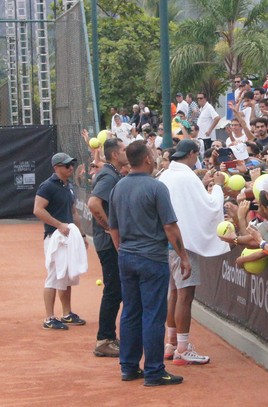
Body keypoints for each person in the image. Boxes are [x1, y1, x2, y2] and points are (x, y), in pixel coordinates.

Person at [109, 140, 190, 386]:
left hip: (126, 257)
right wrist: (184, 257)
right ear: (146, 159)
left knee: (130, 312)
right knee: (153, 316)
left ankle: (129, 368)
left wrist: (123, 251)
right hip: (152, 259)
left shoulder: (118, 187)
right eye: (153, 155)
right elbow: (170, 227)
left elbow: (113, 228)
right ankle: (154, 371)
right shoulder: (156, 187)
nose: (155, 159)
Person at [159, 139, 229, 366]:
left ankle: (170, 344)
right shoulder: (186, 176)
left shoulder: (167, 174)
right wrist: (217, 186)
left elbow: (186, 199)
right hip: (182, 247)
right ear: (192, 154)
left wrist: (203, 181)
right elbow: (209, 207)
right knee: (185, 296)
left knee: (174, 293)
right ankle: (182, 348)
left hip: (166, 245)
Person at [34, 152, 88, 330]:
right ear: (56, 167)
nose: (71, 168)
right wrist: (58, 225)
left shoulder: (69, 186)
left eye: (71, 164)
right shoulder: (47, 186)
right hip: (54, 238)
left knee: (66, 275)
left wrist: (81, 236)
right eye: (67, 165)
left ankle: (67, 314)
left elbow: (74, 213)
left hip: (69, 238)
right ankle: (49, 318)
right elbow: (38, 210)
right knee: (53, 276)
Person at [87, 139, 128, 356]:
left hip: (109, 242)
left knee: (116, 290)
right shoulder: (109, 175)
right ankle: (104, 340)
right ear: (114, 155)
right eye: (122, 149)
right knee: (113, 291)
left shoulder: (113, 173)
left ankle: (108, 337)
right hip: (108, 244)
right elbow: (93, 204)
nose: (126, 152)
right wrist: (110, 228)